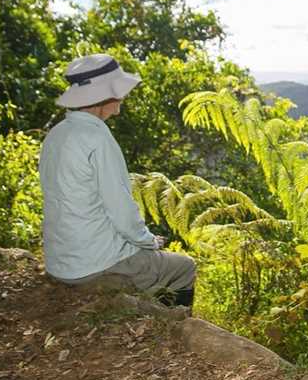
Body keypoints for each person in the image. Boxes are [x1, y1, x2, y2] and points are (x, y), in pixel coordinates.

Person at [38, 53, 195, 308]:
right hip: (95, 265)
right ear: (104, 96)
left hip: (60, 263)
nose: (123, 96)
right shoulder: (97, 138)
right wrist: (148, 241)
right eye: (119, 91)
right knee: (185, 267)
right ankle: (171, 326)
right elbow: (120, 209)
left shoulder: (56, 134)